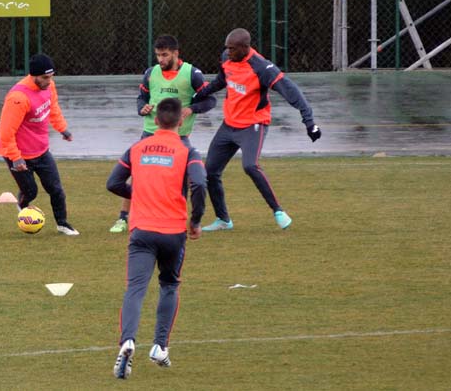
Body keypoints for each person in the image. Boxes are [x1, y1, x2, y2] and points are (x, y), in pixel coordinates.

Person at [106, 97, 207, 379]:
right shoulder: (188, 151)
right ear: (181, 121)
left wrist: (138, 197)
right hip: (174, 232)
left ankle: (127, 342)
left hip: (141, 231)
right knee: (169, 285)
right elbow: (199, 183)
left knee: (135, 288)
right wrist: (196, 221)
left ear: (156, 120)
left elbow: (112, 183)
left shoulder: (136, 148)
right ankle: (160, 347)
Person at [194, 28, 321, 231]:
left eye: (233, 49)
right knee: (210, 172)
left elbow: (291, 91)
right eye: (227, 48)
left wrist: (309, 121)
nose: (228, 52)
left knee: (250, 166)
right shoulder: (227, 58)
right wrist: (199, 95)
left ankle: (278, 211)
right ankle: (223, 220)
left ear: (245, 48)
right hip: (229, 125)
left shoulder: (262, 67)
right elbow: (221, 80)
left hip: (253, 125)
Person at [108, 34, 216, 233]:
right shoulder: (151, 73)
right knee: (136, 174)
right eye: (158, 55)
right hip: (150, 133)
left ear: (176, 53)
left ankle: (179, 216)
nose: (161, 60)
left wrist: (192, 109)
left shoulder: (192, 74)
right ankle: (123, 218)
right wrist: (143, 109)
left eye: (165, 55)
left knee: (182, 176)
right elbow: (141, 99)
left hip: (179, 136)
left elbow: (210, 101)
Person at [0, 53, 79, 235]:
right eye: (45, 77)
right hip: (18, 154)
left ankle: (62, 224)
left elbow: (53, 107)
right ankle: (23, 208)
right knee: (30, 192)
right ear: (33, 76)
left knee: (56, 189)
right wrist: (16, 158)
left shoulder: (49, 86)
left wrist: (62, 128)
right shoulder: (18, 98)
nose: (49, 81)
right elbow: (5, 132)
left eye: (51, 76)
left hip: (41, 150)